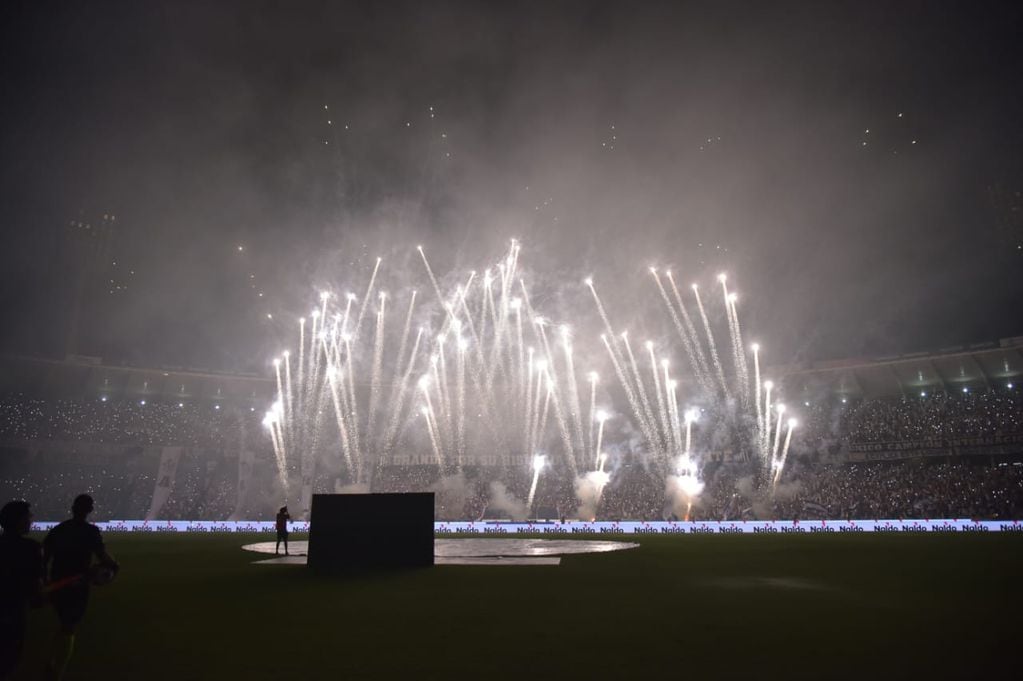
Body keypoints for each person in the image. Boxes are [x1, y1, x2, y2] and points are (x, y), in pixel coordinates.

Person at [42, 494, 118, 681]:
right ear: (89, 510)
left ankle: (52, 661)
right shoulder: (90, 531)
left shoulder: (59, 529)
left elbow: (43, 558)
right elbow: (102, 555)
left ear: (73, 508)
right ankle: (56, 672)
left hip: (57, 582)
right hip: (78, 584)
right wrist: (114, 567)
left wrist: (44, 581)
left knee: (64, 622)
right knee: (69, 626)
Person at [0, 501, 43, 680]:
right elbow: (37, 596)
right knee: (8, 662)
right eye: (28, 516)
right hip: (14, 614)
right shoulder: (31, 548)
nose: (31, 520)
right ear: (19, 521)